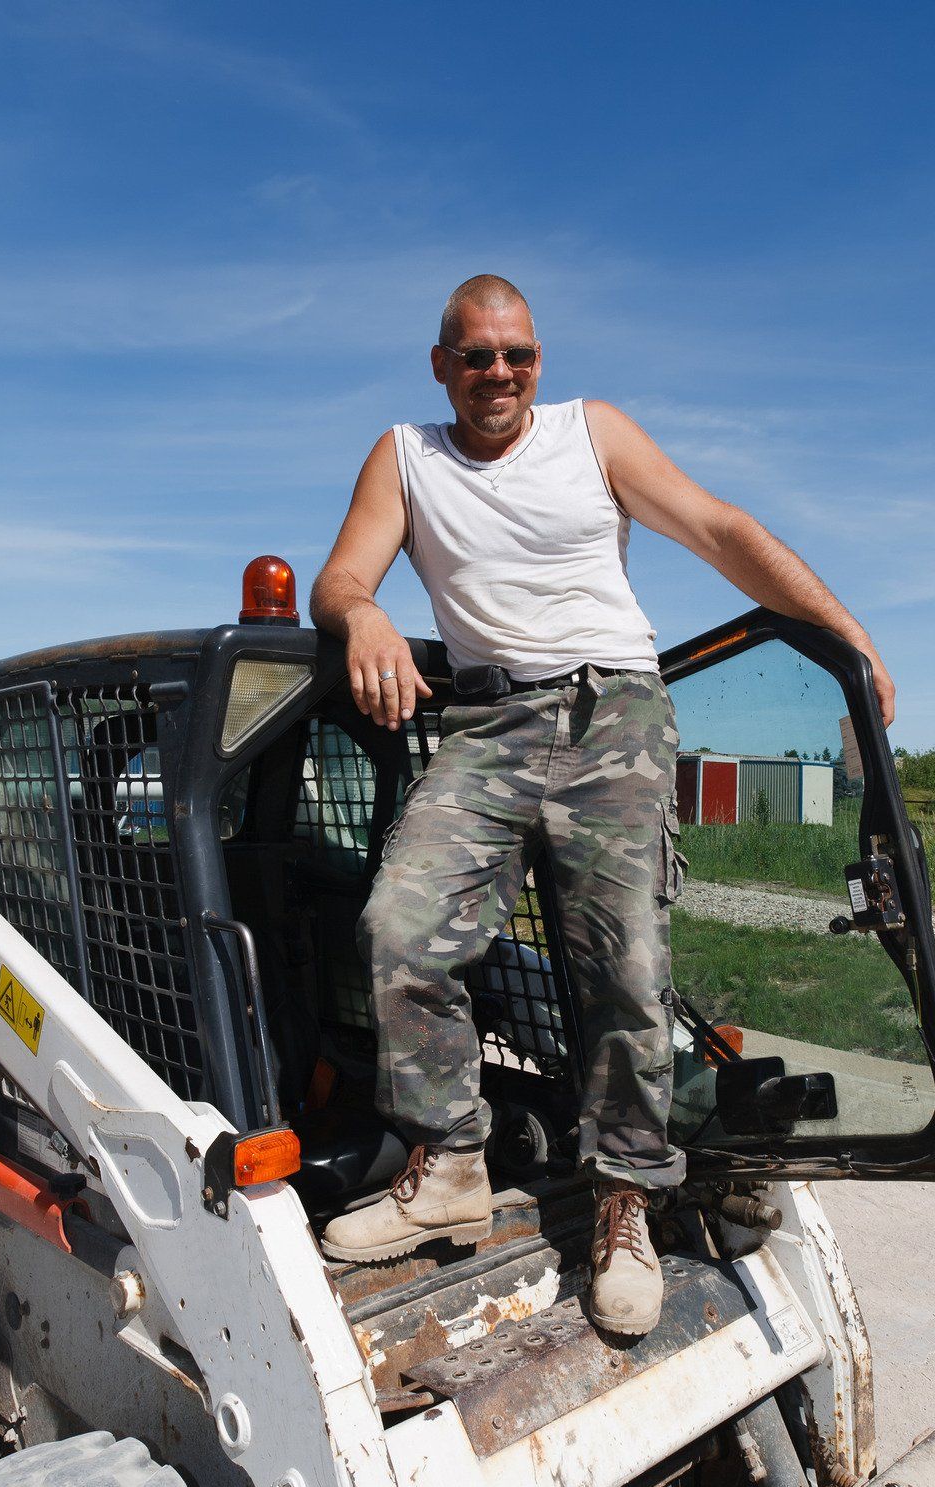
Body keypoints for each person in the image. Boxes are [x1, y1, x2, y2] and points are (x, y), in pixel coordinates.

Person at [310, 274, 894, 1336]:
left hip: (609, 714)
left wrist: (843, 642)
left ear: (539, 359)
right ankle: (446, 1160)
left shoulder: (592, 432)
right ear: (440, 364)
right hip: (486, 724)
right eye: (476, 356)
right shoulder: (404, 455)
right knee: (398, 926)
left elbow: (719, 529)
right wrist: (362, 619)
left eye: (517, 354)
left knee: (622, 964)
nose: (499, 373)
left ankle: (625, 1196)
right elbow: (340, 577)